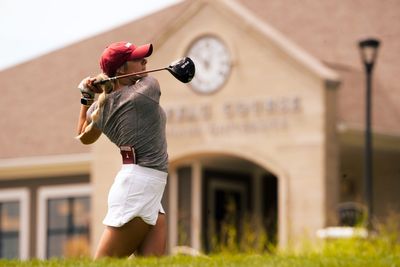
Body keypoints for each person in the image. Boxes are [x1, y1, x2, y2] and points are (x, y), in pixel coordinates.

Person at [76, 41, 169, 258]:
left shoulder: (100, 107)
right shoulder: (146, 90)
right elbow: (149, 80)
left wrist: (86, 96)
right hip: (138, 187)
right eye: (137, 59)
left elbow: (83, 135)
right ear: (120, 69)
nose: (145, 62)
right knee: (105, 263)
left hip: (146, 186)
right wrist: (103, 84)